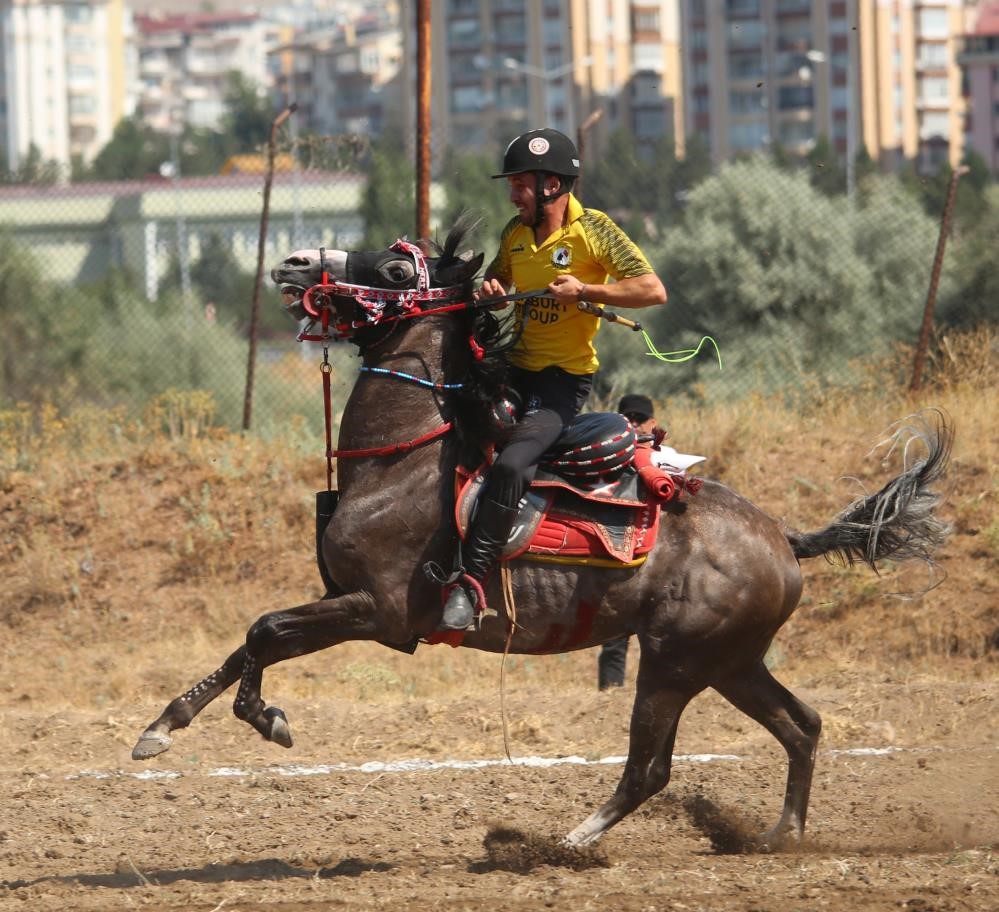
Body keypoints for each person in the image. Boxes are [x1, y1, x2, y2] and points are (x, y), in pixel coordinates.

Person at [437, 128, 667, 631]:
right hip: (514, 369)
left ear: (553, 186)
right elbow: (497, 283)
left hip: (562, 383)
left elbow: (653, 289)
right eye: (512, 183)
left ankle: (471, 584)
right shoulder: (514, 233)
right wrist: (493, 291)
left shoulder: (596, 231)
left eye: (521, 184)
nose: (512, 193)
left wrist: (586, 288)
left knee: (515, 462)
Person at [597, 393, 655, 689]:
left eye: (639, 419)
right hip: (621, 545)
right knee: (614, 635)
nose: (634, 423)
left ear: (652, 423)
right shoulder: (606, 452)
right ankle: (611, 692)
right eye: (628, 418)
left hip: (658, 552)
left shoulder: (661, 457)